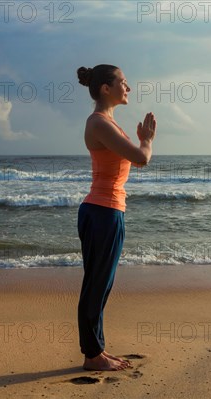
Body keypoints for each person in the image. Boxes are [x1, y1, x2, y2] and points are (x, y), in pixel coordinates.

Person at [76, 64, 156, 371]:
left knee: (100, 284)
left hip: (106, 210)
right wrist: (147, 138)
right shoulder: (99, 123)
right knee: (97, 284)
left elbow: (131, 160)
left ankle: (96, 349)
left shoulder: (107, 122)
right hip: (102, 211)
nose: (129, 87)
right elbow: (141, 158)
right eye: (123, 82)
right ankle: (93, 355)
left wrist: (140, 139)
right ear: (106, 89)